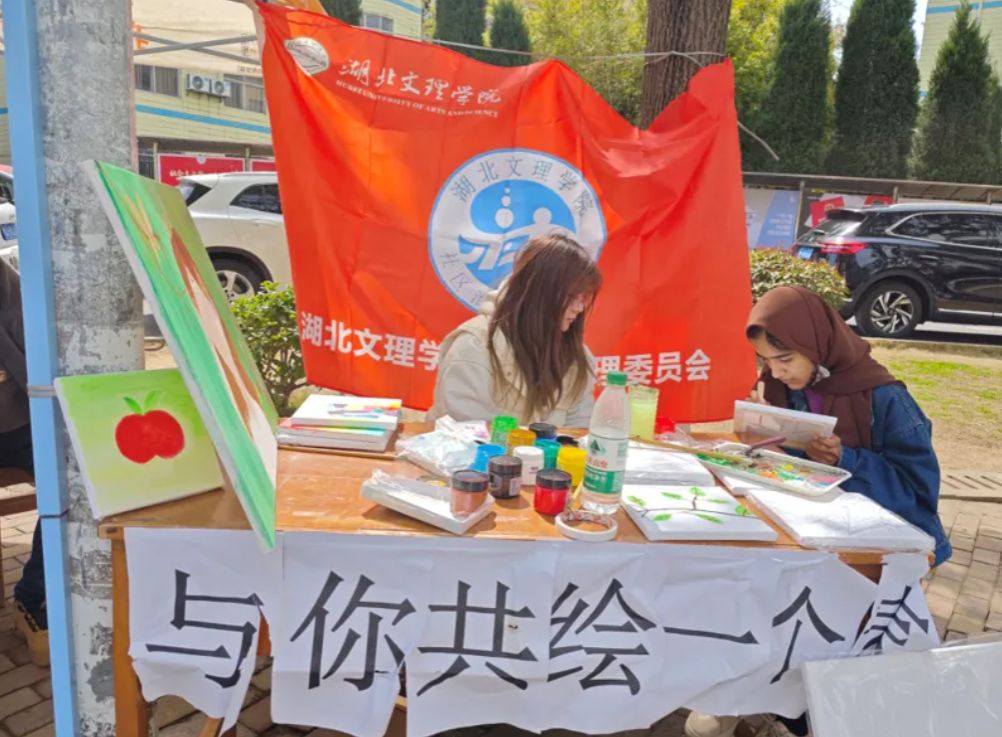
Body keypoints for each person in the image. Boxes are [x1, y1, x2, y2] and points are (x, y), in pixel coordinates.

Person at [685, 285, 951, 737]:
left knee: (831, 637)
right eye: (766, 361)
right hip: (810, 531)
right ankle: (753, 698)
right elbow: (788, 461)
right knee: (762, 599)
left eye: (785, 359)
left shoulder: (884, 397)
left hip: (876, 550)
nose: (777, 371)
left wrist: (847, 459)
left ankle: (815, 714)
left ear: (816, 345)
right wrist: (764, 434)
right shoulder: (781, 386)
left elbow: (918, 491)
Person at [427, 234, 602, 427]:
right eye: (571, 297)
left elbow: (578, 431)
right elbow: (463, 434)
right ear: (539, 293)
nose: (579, 308)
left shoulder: (577, 357)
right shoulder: (474, 346)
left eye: (583, 298)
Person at [0, 259, 47, 664]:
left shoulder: (3, 278)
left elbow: (31, 341)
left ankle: (31, 596)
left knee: (71, 489)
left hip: (18, 422)